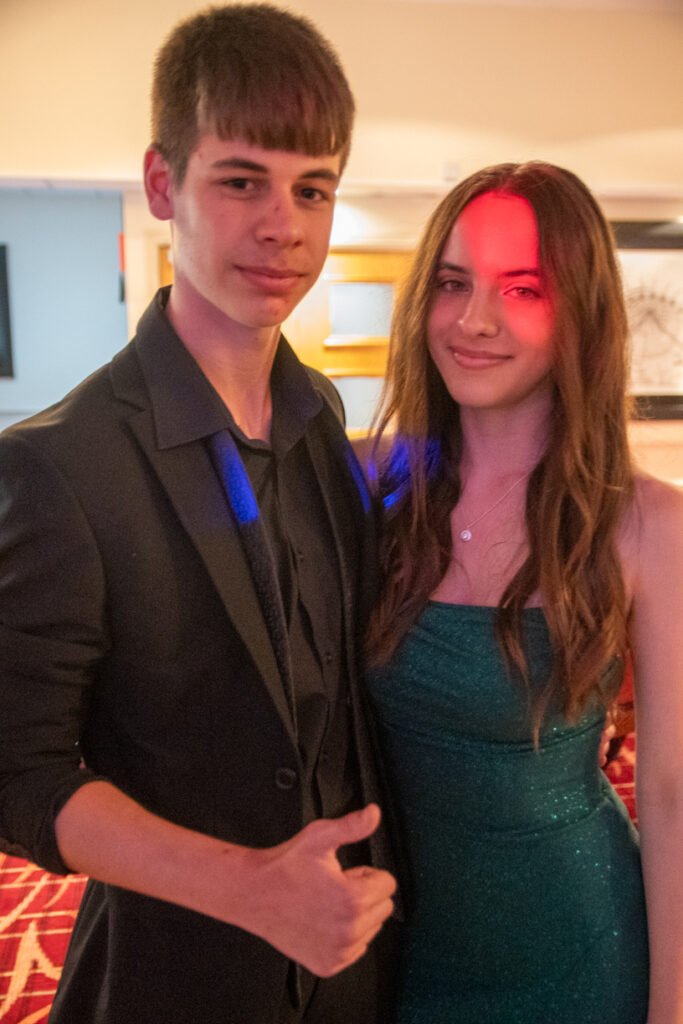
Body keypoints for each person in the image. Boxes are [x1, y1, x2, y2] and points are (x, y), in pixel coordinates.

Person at [0, 6, 400, 1022]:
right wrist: (248, 888)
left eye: (312, 189)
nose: (284, 226)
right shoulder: (59, 463)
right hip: (174, 976)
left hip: (353, 968)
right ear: (160, 184)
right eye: (240, 181)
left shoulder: (320, 419)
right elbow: (18, 774)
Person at [366, 161, 683, 1023]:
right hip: (398, 953)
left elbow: (669, 794)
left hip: (576, 950)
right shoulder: (374, 488)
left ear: (580, 313)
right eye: (452, 283)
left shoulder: (649, 524)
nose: (474, 319)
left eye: (522, 288)